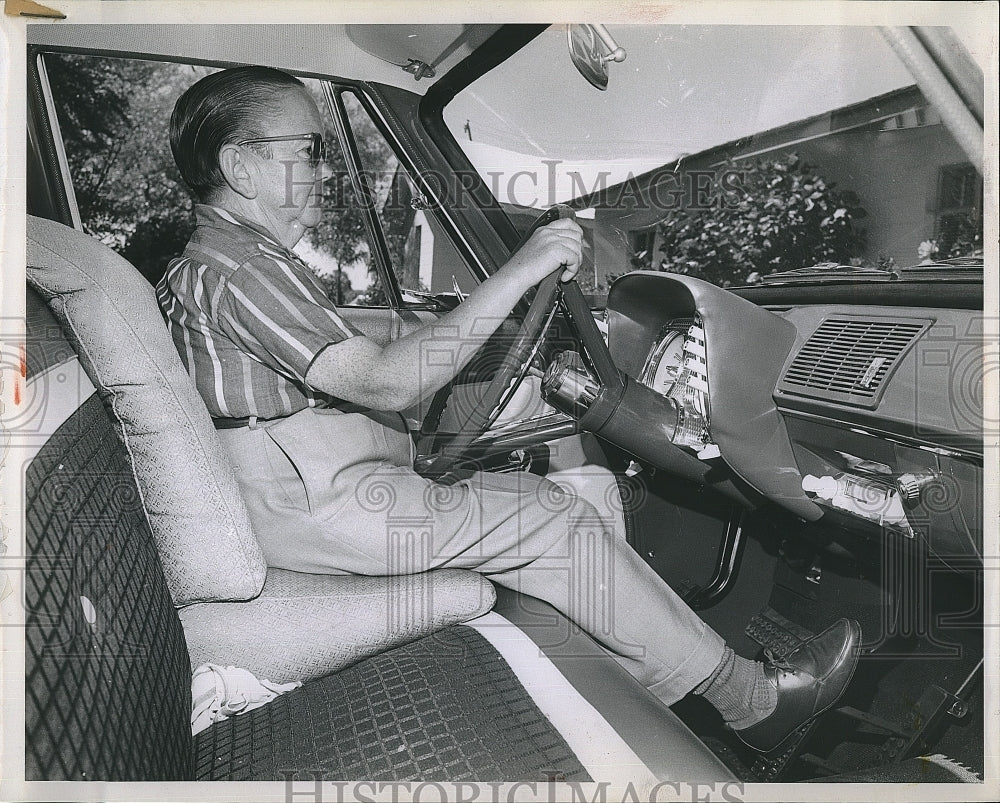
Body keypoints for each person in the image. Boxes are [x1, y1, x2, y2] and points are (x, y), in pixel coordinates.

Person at [157, 66, 861, 754]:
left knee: (540, 500)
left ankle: (645, 696)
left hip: (302, 493)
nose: (327, 168)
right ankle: (752, 703)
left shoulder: (221, 262)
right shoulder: (244, 271)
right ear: (241, 166)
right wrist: (520, 268)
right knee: (550, 517)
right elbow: (384, 383)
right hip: (315, 507)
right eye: (310, 149)